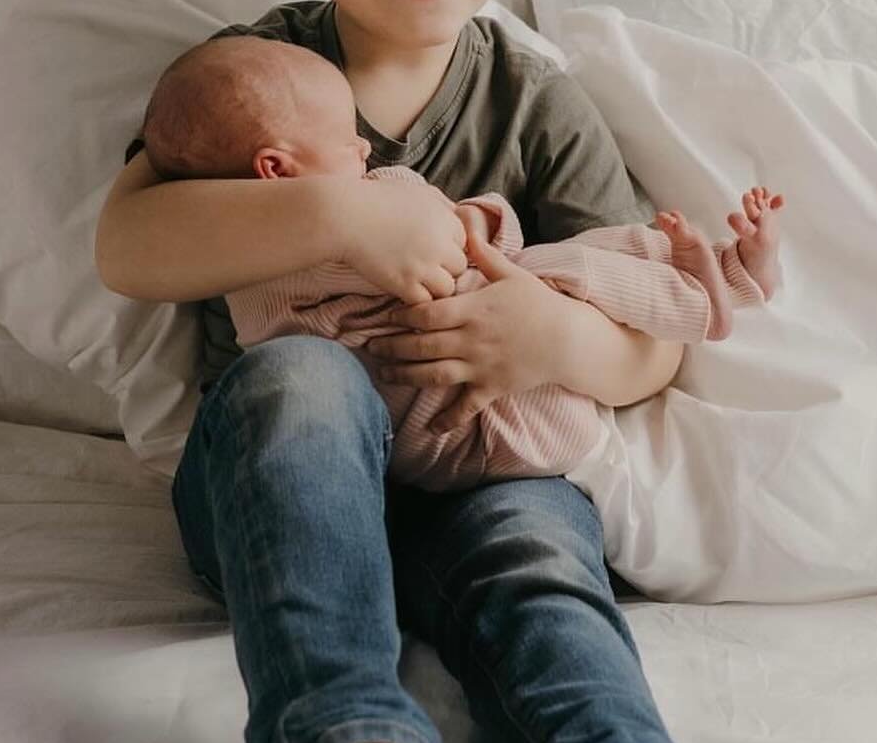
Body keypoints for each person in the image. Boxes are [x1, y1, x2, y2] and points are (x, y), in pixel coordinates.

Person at [95, 0, 759, 743]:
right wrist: (343, 212)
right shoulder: (255, 78)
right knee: (298, 378)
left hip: (483, 468)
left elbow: (648, 329)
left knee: (541, 550)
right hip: (276, 496)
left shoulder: (533, 103)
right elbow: (127, 244)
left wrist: (557, 336)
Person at [137, 31, 785, 491]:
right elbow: (465, 251)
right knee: (567, 269)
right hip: (499, 425)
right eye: (344, 138)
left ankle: (712, 284)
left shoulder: (241, 264)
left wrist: (551, 330)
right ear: (276, 170)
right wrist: (478, 220)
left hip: (467, 425)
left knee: (552, 282)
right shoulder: (325, 229)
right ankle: (715, 288)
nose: (364, 145)